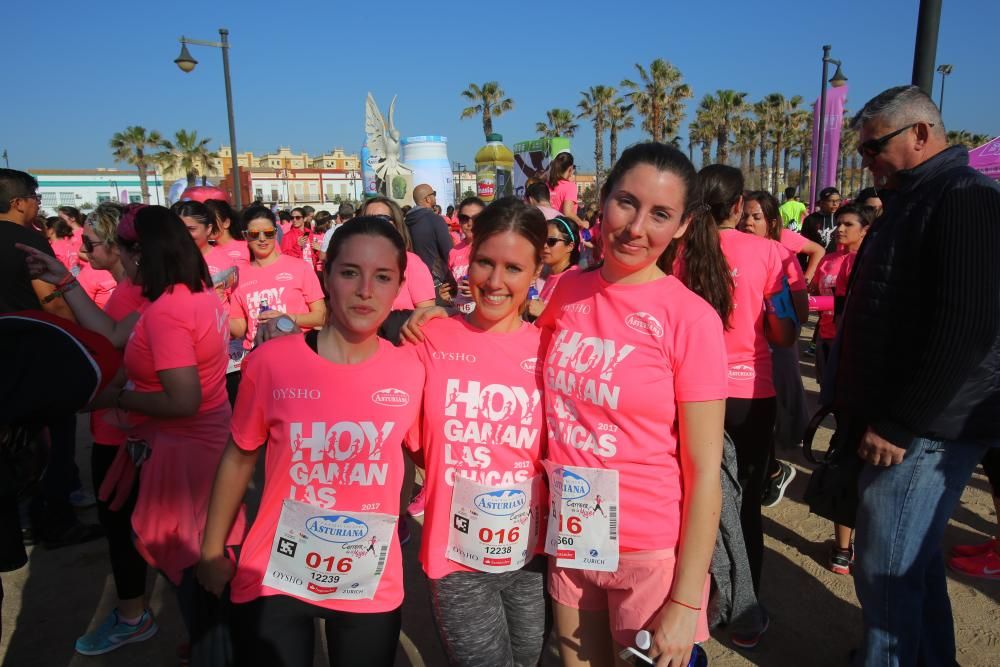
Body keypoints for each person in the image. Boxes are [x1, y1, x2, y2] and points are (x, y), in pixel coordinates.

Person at [21, 205, 247, 661]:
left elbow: (182, 400)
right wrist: (64, 280)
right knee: (204, 567)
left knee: (195, 568)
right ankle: (211, 637)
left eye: (121, 251)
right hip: (199, 448)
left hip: (185, 457)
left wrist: (116, 400)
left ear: (139, 254)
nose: (117, 261)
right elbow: (111, 330)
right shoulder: (192, 292)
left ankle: (213, 646)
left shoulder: (167, 312)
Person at [197, 217, 425, 667]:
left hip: (367, 575)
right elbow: (239, 457)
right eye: (349, 272)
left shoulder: (414, 370)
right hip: (275, 569)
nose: (365, 290)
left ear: (400, 286)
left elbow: (431, 456)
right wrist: (210, 549)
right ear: (325, 276)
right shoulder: (271, 363)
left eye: (383, 277)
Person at [540, 143, 730, 666]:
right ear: (601, 202)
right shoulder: (567, 290)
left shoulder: (690, 320)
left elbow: (704, 471)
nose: (635, 227)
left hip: (650, 549)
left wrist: (685, 600)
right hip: (574, 526)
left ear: (683, 226)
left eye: (660, 214)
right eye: (627, 202)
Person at [836, 85, 1000, 666]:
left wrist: (902, 422)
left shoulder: (964, 196)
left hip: (928, 430)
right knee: (912, 564)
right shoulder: (918, 197)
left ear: (920, 135)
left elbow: (968, 324)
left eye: (874, 147)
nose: (866, 161)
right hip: (911, 423)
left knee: (886, 574)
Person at [409, 198, 549, 666]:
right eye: (485, 262)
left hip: (531, 553)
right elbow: (407, 436)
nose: (494, 281)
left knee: (528, 661)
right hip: (456, 558)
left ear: (534, 274)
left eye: (513, 268)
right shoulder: (430, 337)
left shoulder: (553, 348)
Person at [701, 165, 796, 648]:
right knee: (745, 511)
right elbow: (783, 334)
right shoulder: (770, 253)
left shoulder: (678, 250)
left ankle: (699, 604)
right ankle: (744, 613)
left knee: (695, 502)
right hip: (749, 395)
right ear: (738, 206)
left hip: (690, 394)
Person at [740, 191, 810, 509]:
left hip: (775, 347)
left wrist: (778, 325)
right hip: (743, 353)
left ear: (771, 222)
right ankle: (770, 469)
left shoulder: (782, 255)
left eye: (756, 217)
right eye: (744, 215)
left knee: (769, 413)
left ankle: (773, 470)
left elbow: (801, 309)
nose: (748, 222)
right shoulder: (730, 251)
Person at [230, 205, 326, 356]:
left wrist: (287, 318)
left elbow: (320, 317)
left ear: (275, 233)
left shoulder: (300, 268)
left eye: (268, 233)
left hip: (298, 353)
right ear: (245, 236)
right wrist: (216, 308)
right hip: (258, 356)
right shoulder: (238, 275)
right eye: (254, 234)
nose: (262, 239)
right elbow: (240, 328)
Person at [360, 196, 436, 310]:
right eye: (367, 219)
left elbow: (426, 314)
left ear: (396, 224)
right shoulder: (355, 263)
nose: (374, 224)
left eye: (381, 218)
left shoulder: (411, 263)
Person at [525, 215, 580, 320]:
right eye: (542, 240)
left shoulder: (575, 279)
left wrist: (544, 313)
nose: (544, 246)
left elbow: (575, 324)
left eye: (551, 241)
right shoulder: (553, 275)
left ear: (570, 246)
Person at [405, 184, 454, 288]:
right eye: (434, 194)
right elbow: (448, 253)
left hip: (413, 279)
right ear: (427, 199)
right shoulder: (436, 220)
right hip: (436, 280)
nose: (435, 197)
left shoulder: (405, 222)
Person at [447, 196, 486, 313]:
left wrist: (479, 292)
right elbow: (452, 290)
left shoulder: (493, 249)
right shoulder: (453, 252)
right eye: (464, 218)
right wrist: (446, 294)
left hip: (483, 319)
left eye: (476, 218)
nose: (470, 223)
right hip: (458, 317)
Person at [545, 152, 588, 229]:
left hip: (548, 229)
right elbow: (567, 212)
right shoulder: (570, 186)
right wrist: (582, 223)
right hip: (564, 231)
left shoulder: (547, 184)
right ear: (570, 169)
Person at [205, 199, 248, 266]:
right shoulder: (206, 252)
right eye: (205, 222)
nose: (208, 226)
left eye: (212, 221)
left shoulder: (247, 247)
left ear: (226, 223)